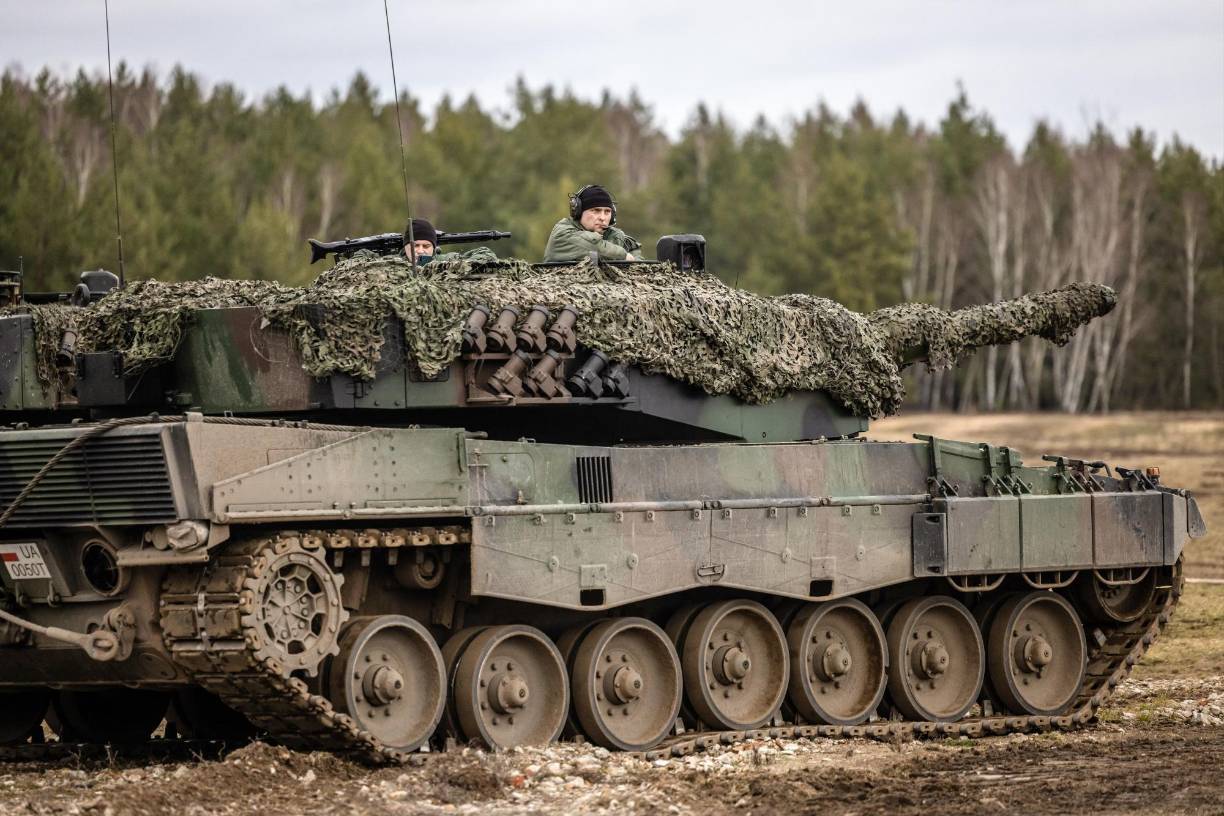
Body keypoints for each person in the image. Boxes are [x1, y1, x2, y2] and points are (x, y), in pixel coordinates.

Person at [543, 185, 642, 262]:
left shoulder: (614, 235)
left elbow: (635, 254)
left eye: (607, 212)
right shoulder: (562, 234)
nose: (603, 218)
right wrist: (624, 256)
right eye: (596, 211)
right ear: (578, 211)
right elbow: (594, 247)